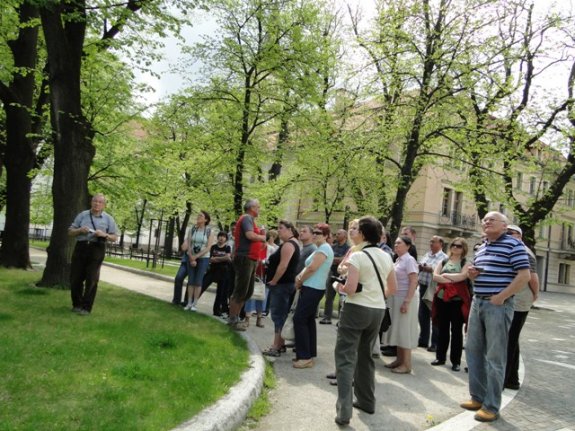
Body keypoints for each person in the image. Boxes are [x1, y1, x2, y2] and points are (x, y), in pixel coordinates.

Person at [461, 211, 530, 423]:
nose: (487, 222)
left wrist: (502, 296)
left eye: (492, 220)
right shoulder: (482, 247)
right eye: (485, 220)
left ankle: (491, 406)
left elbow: (524, 276)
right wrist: (473, 275)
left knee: (495, 357)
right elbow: (479, 274)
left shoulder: (514, 245)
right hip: (478, 302)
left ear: (504, 226)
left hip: (498, 306)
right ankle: (477, 397)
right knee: (473, 351)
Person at [334, 216, 397, 426]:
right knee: (366, 356)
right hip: (377, 310)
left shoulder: (358, 256)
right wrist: (375, 296)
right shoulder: (386, 256)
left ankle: (344, 410)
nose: (353, 232)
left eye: (356, 229)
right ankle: (367, 401)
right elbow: (393, 288)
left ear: (362, 233)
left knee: (345, 357)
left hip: (356, 309)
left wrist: (338, 286)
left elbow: (350, 289)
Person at [68, 193, 118, 315]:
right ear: (91, 202)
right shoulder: (82, 215)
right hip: (81, 247)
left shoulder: (108, 219)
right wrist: (80, 230)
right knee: (76, 278)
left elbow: (114, 237)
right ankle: (77, 304)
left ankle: (86, 307)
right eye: (95, 201)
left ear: (104, 205)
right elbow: (70, 232)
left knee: (92, 279)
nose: (97, 204)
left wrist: (104, 235)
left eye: (100, 202)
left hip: (97, 248)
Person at [293, 223, 334, 368]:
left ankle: (305, 357)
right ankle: (308, 354)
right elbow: (308, 267)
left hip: (313, 288)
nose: (315, 235)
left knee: (299, 319)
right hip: (311, 287)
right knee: (308, 320)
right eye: (314, 232)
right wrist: (300, 278)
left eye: (319, 233)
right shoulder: (319, 248)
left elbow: (312, 268)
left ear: (326, 236)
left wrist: (300, 280)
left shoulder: (324, 249)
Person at [504, 224, 539, 390]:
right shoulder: (514, 249)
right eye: (506, 232)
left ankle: (504, 379)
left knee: (509, 340)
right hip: (516, 300)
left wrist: (535, 295)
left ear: (520, 236)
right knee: (512, 339)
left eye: (511, 233)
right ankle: (512, 379)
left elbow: (533, 278)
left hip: (519, 301)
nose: (508, 235)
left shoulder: (524, 251)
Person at [431, 238, 471, 372]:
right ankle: (440, 357)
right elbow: (435, 276)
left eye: (459, 246)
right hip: (442, 299)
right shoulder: (444, 261)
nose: (455, 247)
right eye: (453, 245)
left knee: (456, 331)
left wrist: (445, 276)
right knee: (442, 329)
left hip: (457, 301)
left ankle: (456, 361)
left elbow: (463, 276)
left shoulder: (465, 262)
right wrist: (452, 278)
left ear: (463, 248)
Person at [262, 221, 300, 357]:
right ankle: (281, 344)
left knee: (278, 315)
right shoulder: (291, 243)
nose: (278, 231)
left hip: (282, 285)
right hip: (285, 284)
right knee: (281, 314)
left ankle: (276, 347)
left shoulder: (289, 244)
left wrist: (274, 281)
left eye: (281, 228)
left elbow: (283, 265)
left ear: (290, 230)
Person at [227, 199, 267, 331]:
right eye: (258, 207)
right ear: (252, 208)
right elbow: (250, 235)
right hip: (245, 258)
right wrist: (262, 237)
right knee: (240, 291)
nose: (259, 209)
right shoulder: (246, 218)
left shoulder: (250, 220)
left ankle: (236, 318)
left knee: (247, 292)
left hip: (251, 259)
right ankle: (233, 320)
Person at [384, 236, 419, 374]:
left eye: (399, 243)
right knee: (398, 329)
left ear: (408, 246)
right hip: (396, 297)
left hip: (405, 298)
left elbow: (414, 281)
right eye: (395, 242)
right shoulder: (398, 260)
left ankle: (407, 364)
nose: (396, 245)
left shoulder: (409, 260)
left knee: (404, 330)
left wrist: (407, 301)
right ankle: (399, 360)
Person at [418, 236, 448, 352]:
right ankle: (423, 339)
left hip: (434, 289)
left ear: (440, 244)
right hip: (423, 286)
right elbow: (421, 263)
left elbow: (442, 271)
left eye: (433, 242)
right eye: (430, 241)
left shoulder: (444, 257)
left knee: (435, 316)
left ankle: (435, 343)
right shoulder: (427, 254)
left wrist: (431, 269)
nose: (431, 243)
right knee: (422, 314)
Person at [245, 229, 279, 327]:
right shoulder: (253, 248)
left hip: (264, 276)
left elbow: (274, 262)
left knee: (262, 297)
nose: (262, 243)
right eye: (260, 240)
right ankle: (247, 318)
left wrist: (264, 262)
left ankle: (259, 318)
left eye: (264, 240)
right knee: (249, 296)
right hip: (252, 275)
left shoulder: (271, 249)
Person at [184, 211, 215, 311]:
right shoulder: (192, 229)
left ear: (206, 219)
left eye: (201, 216)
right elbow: (189, 244)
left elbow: (208, 247)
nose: (198, 217)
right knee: (191, 280)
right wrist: (191, 256)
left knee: (198, 281)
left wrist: (196, 257)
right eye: (198, 215)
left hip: (203, 258)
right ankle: (189, 302)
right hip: (191, 257)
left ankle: (194, 303)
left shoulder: (210, 231)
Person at [321, 229, 350, 325]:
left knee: (342, 296)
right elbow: (328, 258)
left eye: (339, 234)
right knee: (329, 296)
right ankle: (327, 317)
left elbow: (344, 260)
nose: (336, 235)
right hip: (332, 272)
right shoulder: (333, 246)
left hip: (342, 275)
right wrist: (337, 259)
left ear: (345, 236)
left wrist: (334, 259)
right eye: (336, 233)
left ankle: (341, 319)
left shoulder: (348, 248)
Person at [201, 231, 232, 317]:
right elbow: (210, 258)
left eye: (223, 237)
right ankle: (192, 302)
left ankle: (216, 310)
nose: (221, 238)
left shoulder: (227, 247)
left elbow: (227, 257)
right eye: (220, 236)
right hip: (213, 270)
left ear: (226, 239)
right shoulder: (213, 247)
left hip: (223, 271)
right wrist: (221, 258)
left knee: (220, 292)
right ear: (217, 237)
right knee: (203, 285)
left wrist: (216, 258)